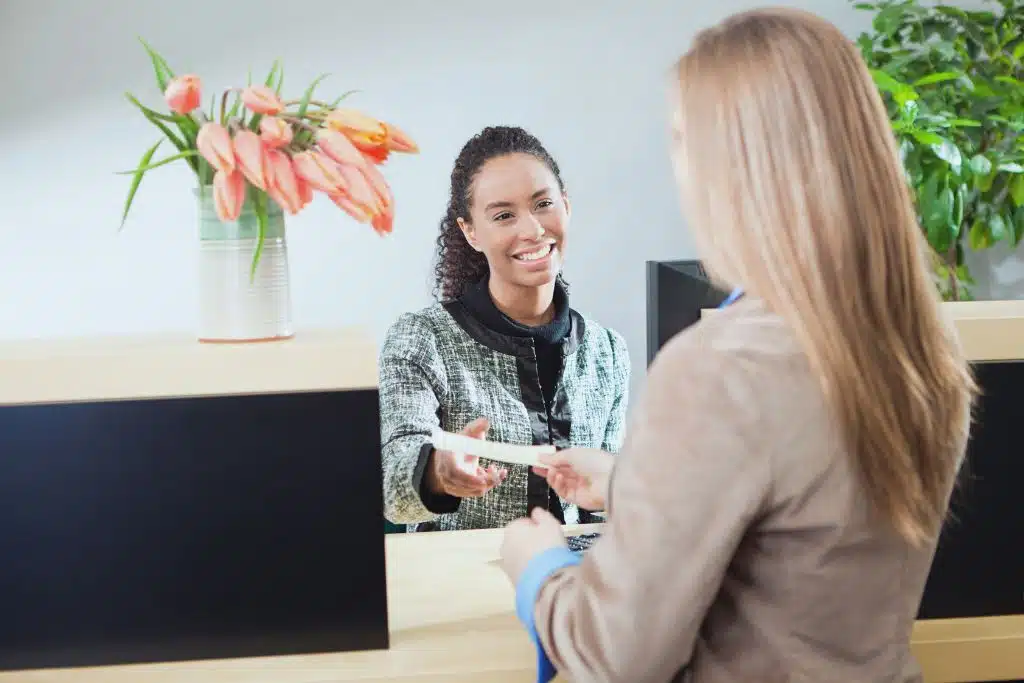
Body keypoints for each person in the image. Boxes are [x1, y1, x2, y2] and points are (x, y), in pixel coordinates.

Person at [498, 8, 977, 683]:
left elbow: (613, 656)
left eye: (682, 139)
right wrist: (635, 482)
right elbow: (804, 536)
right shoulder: (922, 344)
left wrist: (537, 565)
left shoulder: (717, 367)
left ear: (736, 165)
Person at [378, 125, 631, 532]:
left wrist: (618, 486)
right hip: (461, 587)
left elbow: (609, 508)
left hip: (574, 586)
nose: (531, 229)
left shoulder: (608, 351)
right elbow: (391, 486)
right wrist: (438, 473)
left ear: (565, 206)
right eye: (503, 216)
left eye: (543, 204)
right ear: (470, 232)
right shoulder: (423, 339)